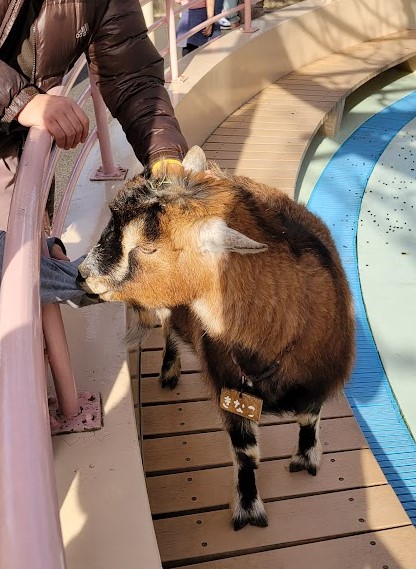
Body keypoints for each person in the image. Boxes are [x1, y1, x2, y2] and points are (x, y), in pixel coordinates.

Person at [0, 0, 189, 302]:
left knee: (22, 271)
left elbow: (132, 77)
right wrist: (19, 100)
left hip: (12, 146)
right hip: (14, 120)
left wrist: (165, 157)